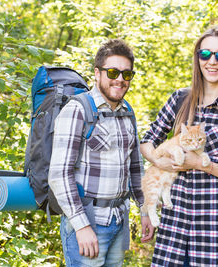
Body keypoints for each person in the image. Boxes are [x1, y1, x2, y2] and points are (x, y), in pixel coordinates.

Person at [140, 26, 218, 266]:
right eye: (205, 54)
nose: (212, 61)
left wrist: (200, 164)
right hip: (174, 226)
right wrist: (157, 161)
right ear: (198, 59)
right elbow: (147, 141)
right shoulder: (180, 99)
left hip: (214, 230)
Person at [48, 39, 154, 267]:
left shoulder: (127, 112)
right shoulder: (78, 109)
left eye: (127, 74)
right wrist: (82, 226)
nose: (120, 79)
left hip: (118, 221)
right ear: (97, 73)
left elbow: (135, 168)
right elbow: (59, 174)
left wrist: (146, 210)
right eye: (113, 72)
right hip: (88, 223)